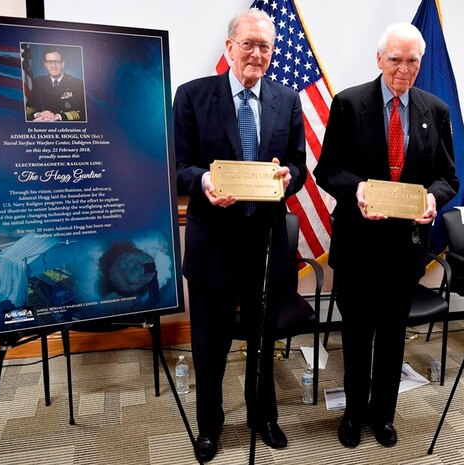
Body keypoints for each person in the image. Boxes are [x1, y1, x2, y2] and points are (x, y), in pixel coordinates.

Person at [313, 22, 458, 449]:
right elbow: (327, 170)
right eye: (395, 59)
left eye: (413, 60)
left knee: (393, 338)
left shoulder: (436, 110)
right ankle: (353, 416)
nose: (404, 69)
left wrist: (434, 198)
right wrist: (356, 188)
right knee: (357, 337)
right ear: (380, 59)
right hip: (358, 246)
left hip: (405, 250)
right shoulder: (347, 103)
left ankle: (384, 417)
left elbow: (448, 176)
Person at [173, 8, 307, 463]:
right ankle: (210, 425)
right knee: (209, 345)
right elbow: (177, 170)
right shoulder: (191, 96)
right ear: (229, 47)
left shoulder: (287, 100)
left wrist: (287, 175)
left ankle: (262, 417)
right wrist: (205, 184)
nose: (256, 53)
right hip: (213, 245)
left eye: (265, 46)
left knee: (262, 340)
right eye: (248, 44)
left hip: (265, 247)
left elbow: (299, 167)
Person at [25, 48, 86, 122]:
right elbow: (29, 107)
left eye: (56, 61)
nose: (53, 65)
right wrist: (39, 114)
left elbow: (83, 111)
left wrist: (59, 116)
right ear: (45, 64)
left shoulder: (77, 83)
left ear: (62, 63)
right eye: (49, 62)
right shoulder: (38, 82)